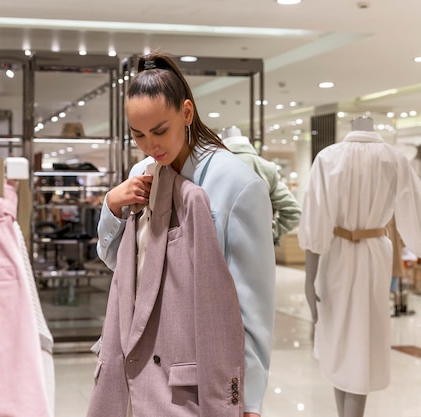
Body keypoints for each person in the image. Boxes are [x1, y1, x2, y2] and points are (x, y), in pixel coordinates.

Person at [88, 51, 276, 417]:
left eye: (160, 131)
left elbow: (252, 304)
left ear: (186, 114)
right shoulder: (144, 171)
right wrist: (112, 206)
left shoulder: (237, 184)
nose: (151, 145)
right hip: (136, 365)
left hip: (194, 371)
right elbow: (125, 270)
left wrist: (249, 397)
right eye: (138, 135)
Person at [299, 116, 421, 417]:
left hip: (336, 255)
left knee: (347, 340)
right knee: (355, 341)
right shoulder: (393, 158)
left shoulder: (328, 157)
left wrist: (310, 277)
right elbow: (413, 212)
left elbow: (315, 221)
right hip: (372, 255)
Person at [220, 126, 301, 245]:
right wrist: (267, 234)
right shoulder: (265, 168)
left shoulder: (212, 166)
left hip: (219, 246)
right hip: (258, 250)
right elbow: (293, 212)